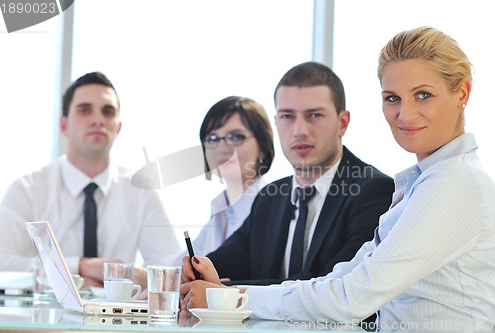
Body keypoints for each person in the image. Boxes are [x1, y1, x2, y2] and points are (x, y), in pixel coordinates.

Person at [181, 27, 495, 332]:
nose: (405, 114)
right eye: (392, 98)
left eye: (423, 95)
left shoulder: (454, 183)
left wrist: (230, 298)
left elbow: (350, 298)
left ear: (462, 93)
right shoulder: (424, 183)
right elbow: (340, 280)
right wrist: (224, 294)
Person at [190, 61, 394, 286]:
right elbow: (220, 264)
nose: (299, 131)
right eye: (287, 116)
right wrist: (192, 273)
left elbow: (334, 286)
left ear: (342, 123)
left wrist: (227, 290)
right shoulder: (270, 197)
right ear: (276, 122)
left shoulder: (374, 191)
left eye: (314, 115)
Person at [0, 72, 180, 288]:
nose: (98, 120)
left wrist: (145, 279)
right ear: (63, 125)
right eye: (85, 110)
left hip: (117, 320)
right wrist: (79, 267)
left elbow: (170, 271)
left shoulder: (140, 191)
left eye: (107, 112)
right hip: (42, 317)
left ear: (117, 128)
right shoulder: (27, 190)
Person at [172, 96, 274, 264]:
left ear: (262, 147)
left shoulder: (276, 209)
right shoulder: (220, 209)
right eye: (212, 139)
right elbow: (178, 268)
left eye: (235, 137)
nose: (222, 148)